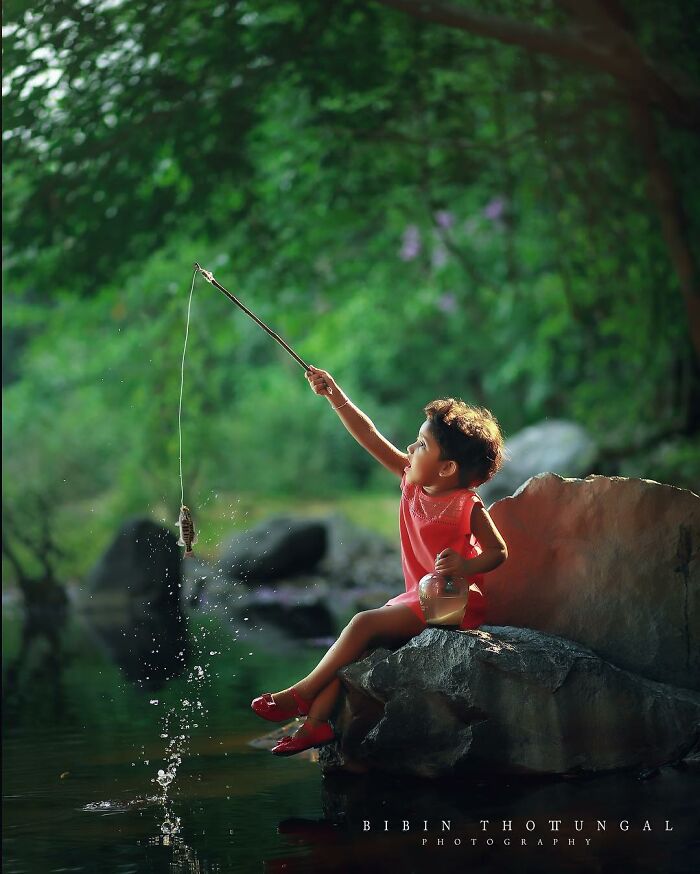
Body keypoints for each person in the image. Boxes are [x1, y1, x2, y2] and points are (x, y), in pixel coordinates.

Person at [251, 365, 509, 756]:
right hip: (414, 600)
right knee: (357, 651)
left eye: (421, 445)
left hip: (450, 606)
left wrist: (464, 566)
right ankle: (316, 726)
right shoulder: (412, 481)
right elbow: (369, 436)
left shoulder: (465, 506)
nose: (410, 449)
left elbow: (498, 551)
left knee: (362, 623)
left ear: (448, 468)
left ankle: (300, 693)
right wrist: (334, 394)